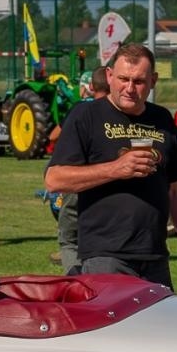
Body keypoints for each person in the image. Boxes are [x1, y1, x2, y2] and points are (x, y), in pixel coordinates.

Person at [44, 42, 177, 292]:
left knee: (159, 318)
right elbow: (54, 179)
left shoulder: (162, 118)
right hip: (105, 256)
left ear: (153, 81)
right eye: (123, 79)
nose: (130, 88)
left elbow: (175, 191)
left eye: (139, 81)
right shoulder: (86, 116)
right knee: (112, 319)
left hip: (155, 256)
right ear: (109, 76)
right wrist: (115, 169)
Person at [51, 65, 109, 271]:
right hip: (108, 182)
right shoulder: (119, 113)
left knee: (69, 239)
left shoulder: (80, 109)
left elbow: (54, 136)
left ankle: (75, 279)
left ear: (91, 86)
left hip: (78, 180)